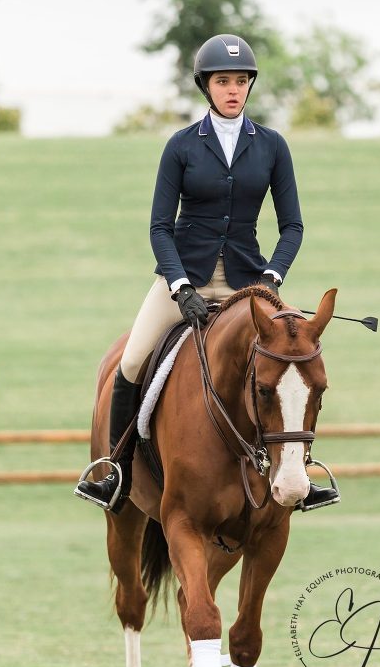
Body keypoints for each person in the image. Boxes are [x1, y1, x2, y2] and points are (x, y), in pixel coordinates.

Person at [75, 33, 339, 514]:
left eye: (240, 81)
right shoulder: (181, 146)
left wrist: (271, 279)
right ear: (206, 87)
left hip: (249, 282)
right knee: (131, 362)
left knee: (295, 357)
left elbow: (293, 227)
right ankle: (116, 470)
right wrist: (179, 287)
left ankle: (300, 470)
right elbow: (160, 227)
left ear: (249, 86)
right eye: (223, 82)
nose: (233, 90)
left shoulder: (272, 146)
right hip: (184, 278)